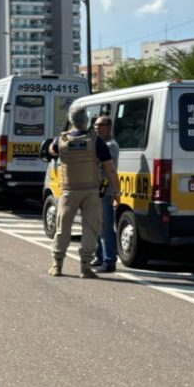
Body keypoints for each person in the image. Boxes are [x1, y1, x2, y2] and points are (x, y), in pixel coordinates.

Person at [47, 105, 120, 278]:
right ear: (86, 121)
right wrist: (116, 191)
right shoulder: (96, 141)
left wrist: (61, 136)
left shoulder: (61, 141)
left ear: (71, 121)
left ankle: (57, 265)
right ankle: (85, 267)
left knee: (62, 229)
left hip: (68, 192)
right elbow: (110, 169)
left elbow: (50, 150)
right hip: (91, 192)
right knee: (90, 229)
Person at [91, 115, 119, 272]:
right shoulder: (99, 143)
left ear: (109, 126)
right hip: (96, 189)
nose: (97, 127)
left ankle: (109, 261)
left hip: (105, 190)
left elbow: (108, 168)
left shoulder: (111, 145)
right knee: (97, 225)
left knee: (106, 227)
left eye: (100, 125)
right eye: (95, 125)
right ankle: (99, 256)